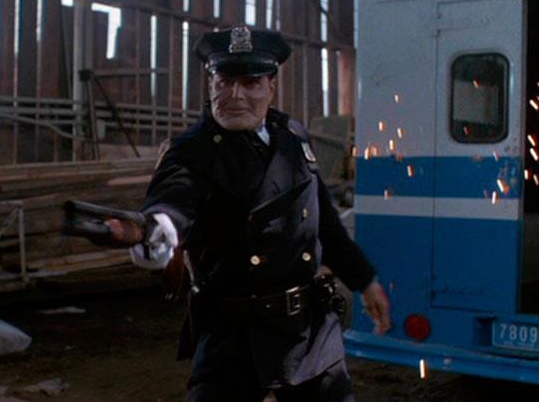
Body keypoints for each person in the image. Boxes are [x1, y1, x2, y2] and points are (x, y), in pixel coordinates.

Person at [108, 25, 391, 402]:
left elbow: (324, 224)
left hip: (308, 331)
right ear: (210, 84)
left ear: (271, 87)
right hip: (234, 334)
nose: (235, 95)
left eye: (250, 83)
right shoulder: (191, 151)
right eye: (224, 81)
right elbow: (173, 200)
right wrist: (155, 229)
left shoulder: (292, 136)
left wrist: (365, 281)